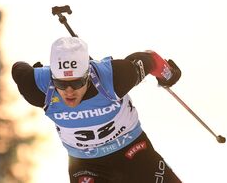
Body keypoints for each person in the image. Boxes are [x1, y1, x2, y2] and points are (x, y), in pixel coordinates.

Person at [12, 36, 182, 183]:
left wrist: (169, 74)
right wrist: (36, 71)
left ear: (87, 76)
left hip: (133, 152)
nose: (69, 91)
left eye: (77, 83)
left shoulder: (114, 78)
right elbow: (18, 69)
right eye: (61, 84)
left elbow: (150, 60)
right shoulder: (36, 87)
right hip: (86, 165)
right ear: (52, 77)